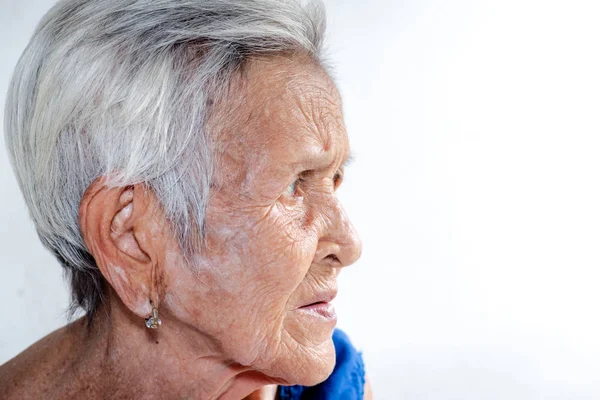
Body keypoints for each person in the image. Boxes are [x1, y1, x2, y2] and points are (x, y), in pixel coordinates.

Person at [0, 0, 372, 398]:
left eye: (333, 179)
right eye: (293, 187)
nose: (350, 246)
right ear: (133, 240)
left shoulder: (335, 386)